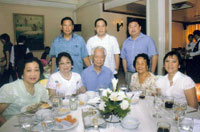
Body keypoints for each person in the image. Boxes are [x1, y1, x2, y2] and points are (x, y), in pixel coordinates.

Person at [0, 57, 49, 125]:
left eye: (36, 70)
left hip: (34, 125)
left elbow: (45, 106)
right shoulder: (9, 89)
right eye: (29, 70)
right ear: (22, 73)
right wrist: (7, 127)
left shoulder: (41, 88)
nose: (33, 74)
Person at [120, 19, 158, 87]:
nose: (133, 28)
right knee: (130, 95)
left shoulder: (148, 40)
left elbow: (154, 56)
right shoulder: (125, 42)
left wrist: (152, 72)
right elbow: (124, 58)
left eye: (135, 26)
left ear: (140, 28)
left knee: (145, 94)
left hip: (145, 73)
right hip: (130, 74)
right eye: (130, 27)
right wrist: (126, 72)